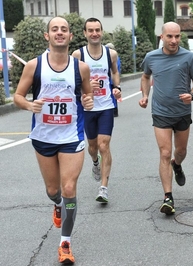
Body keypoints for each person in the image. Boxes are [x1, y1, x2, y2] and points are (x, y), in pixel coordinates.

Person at [13, 17, 93, 264]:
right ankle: (57, 204)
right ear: (47, 36)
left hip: (71, 136)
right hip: (44, 136)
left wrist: (87, 101)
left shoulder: (80, 68)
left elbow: (87, 93)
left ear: (70, 37)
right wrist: (29, 104)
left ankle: (65, 242)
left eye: (64, 30)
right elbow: (17, 96)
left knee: (69, 188)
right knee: (53, 190)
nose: (60, 33)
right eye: (54, 29)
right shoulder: (34, 66)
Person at [139, 22, 193, 215]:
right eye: (170, 37)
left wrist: (191, 95)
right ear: (162, 37)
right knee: (165, 153)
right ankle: (168, 197)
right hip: (160, 112)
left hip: (182, 112)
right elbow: (144, 76)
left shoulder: (189, 57)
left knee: (180, 151)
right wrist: (145, 95)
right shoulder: (151, 57)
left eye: (177, 37)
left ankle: (178, 164)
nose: (174, 41)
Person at [72, 17, 121, 204]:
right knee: (93, 148)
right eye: (90, 30)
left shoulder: (111, 54)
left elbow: (115, 72)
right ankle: (95, 162)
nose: (94, 33)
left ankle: (104, 188)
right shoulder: (78, 55)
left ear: (102, 32)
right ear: (85, 33)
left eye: (97, 30)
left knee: (104, 145)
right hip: (88, 108)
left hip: (106, 106)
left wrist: (117, 88)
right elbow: (73, 82)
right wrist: (85, 86)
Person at [105, 42, 121, 117]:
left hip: (111, 79)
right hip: (112, 79)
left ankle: (114, 109)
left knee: (112, 94)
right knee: (113, 94)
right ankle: (114, 109)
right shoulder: (117, 57)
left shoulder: (114, 57)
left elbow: (115, 70)